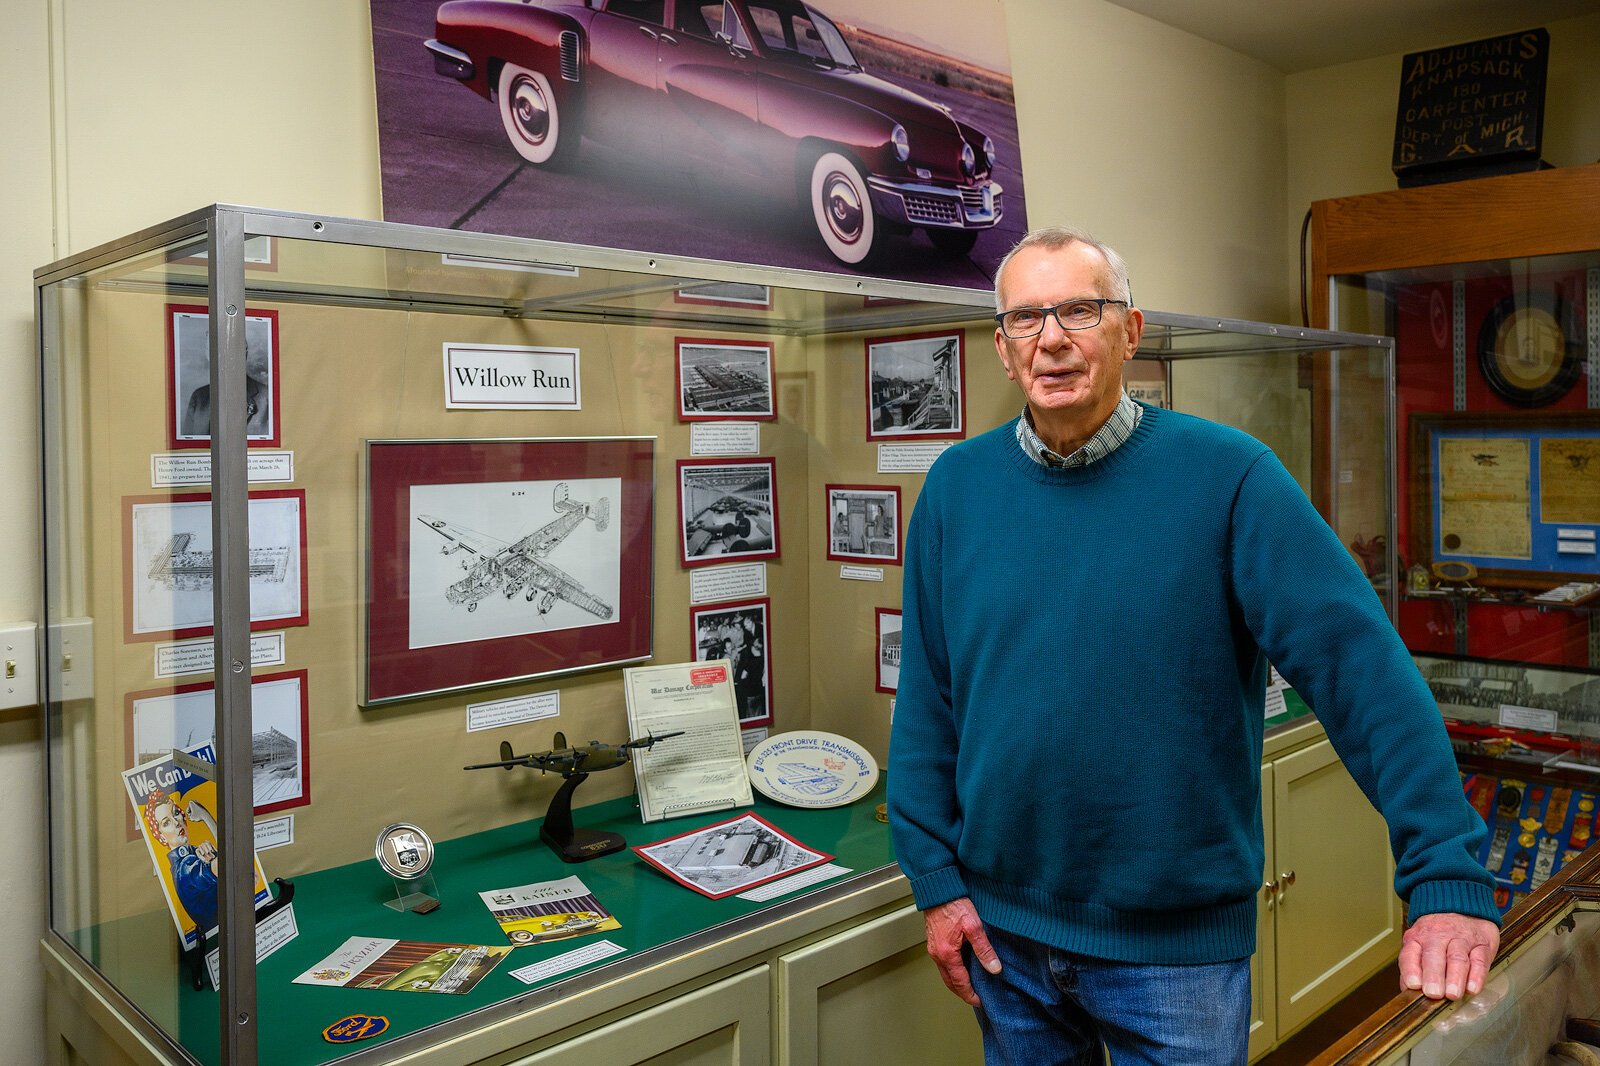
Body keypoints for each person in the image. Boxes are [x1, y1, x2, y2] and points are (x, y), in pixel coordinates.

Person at [886, 226, 1499, 1065]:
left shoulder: (1231, 477)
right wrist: (936, 882)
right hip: (1005, 939)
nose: (1053, 338)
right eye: (1027, 318)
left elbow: (1364, 676)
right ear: (1002, 347)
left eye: (1079, 310)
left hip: (1176, 959)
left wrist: (1446, 873)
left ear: (1130, 332)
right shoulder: (957, 488)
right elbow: (930, 701)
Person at [144, 788, 220, 937]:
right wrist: (205, 816)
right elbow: (229, 864)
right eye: (166, 823)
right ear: (162, 837)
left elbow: (252, 877)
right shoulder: (183, 870)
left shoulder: (197, 852)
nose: (177, 823)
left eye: (176, 813)